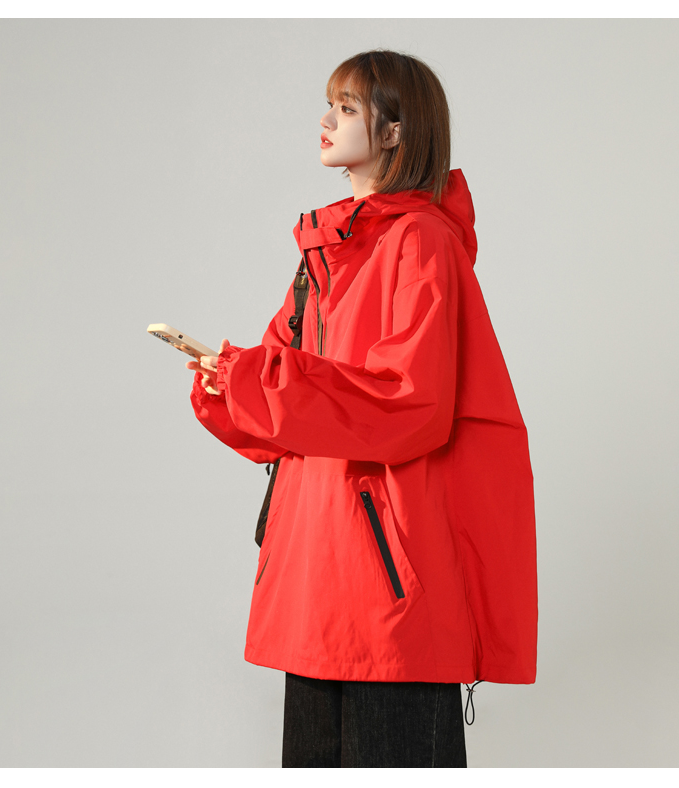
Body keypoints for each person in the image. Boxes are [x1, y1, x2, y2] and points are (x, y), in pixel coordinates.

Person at [186, 49, 537, 769]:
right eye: (331, 104)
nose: (326, 120)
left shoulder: (421, 242)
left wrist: (269, 379)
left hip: (389, 590)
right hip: (315, 579)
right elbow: (284, 412)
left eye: (347, 108)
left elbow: (410, 405)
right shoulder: (324, 253)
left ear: (395, 131)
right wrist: (227, 384)